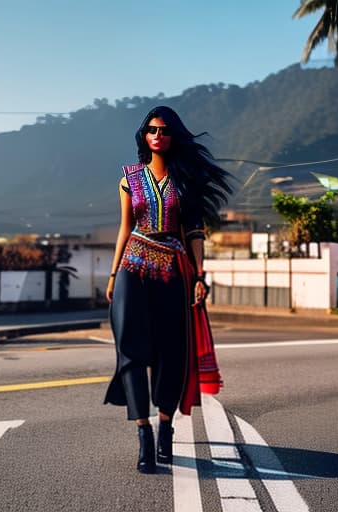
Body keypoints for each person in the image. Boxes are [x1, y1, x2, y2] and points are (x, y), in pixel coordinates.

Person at [104, 106, 231, 474]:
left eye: (164, 130)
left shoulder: (185, 180)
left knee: (171, 354)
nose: (158, 135)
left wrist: (200, 276)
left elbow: (194, 232)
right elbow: (124, 228)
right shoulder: (129, 178)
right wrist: (113, 275)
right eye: (152, 130)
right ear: (144, 135)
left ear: (173, 136)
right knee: (130, 351)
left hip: (173, 270)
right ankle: (143, 434)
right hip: (132, 266)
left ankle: (164, 427)